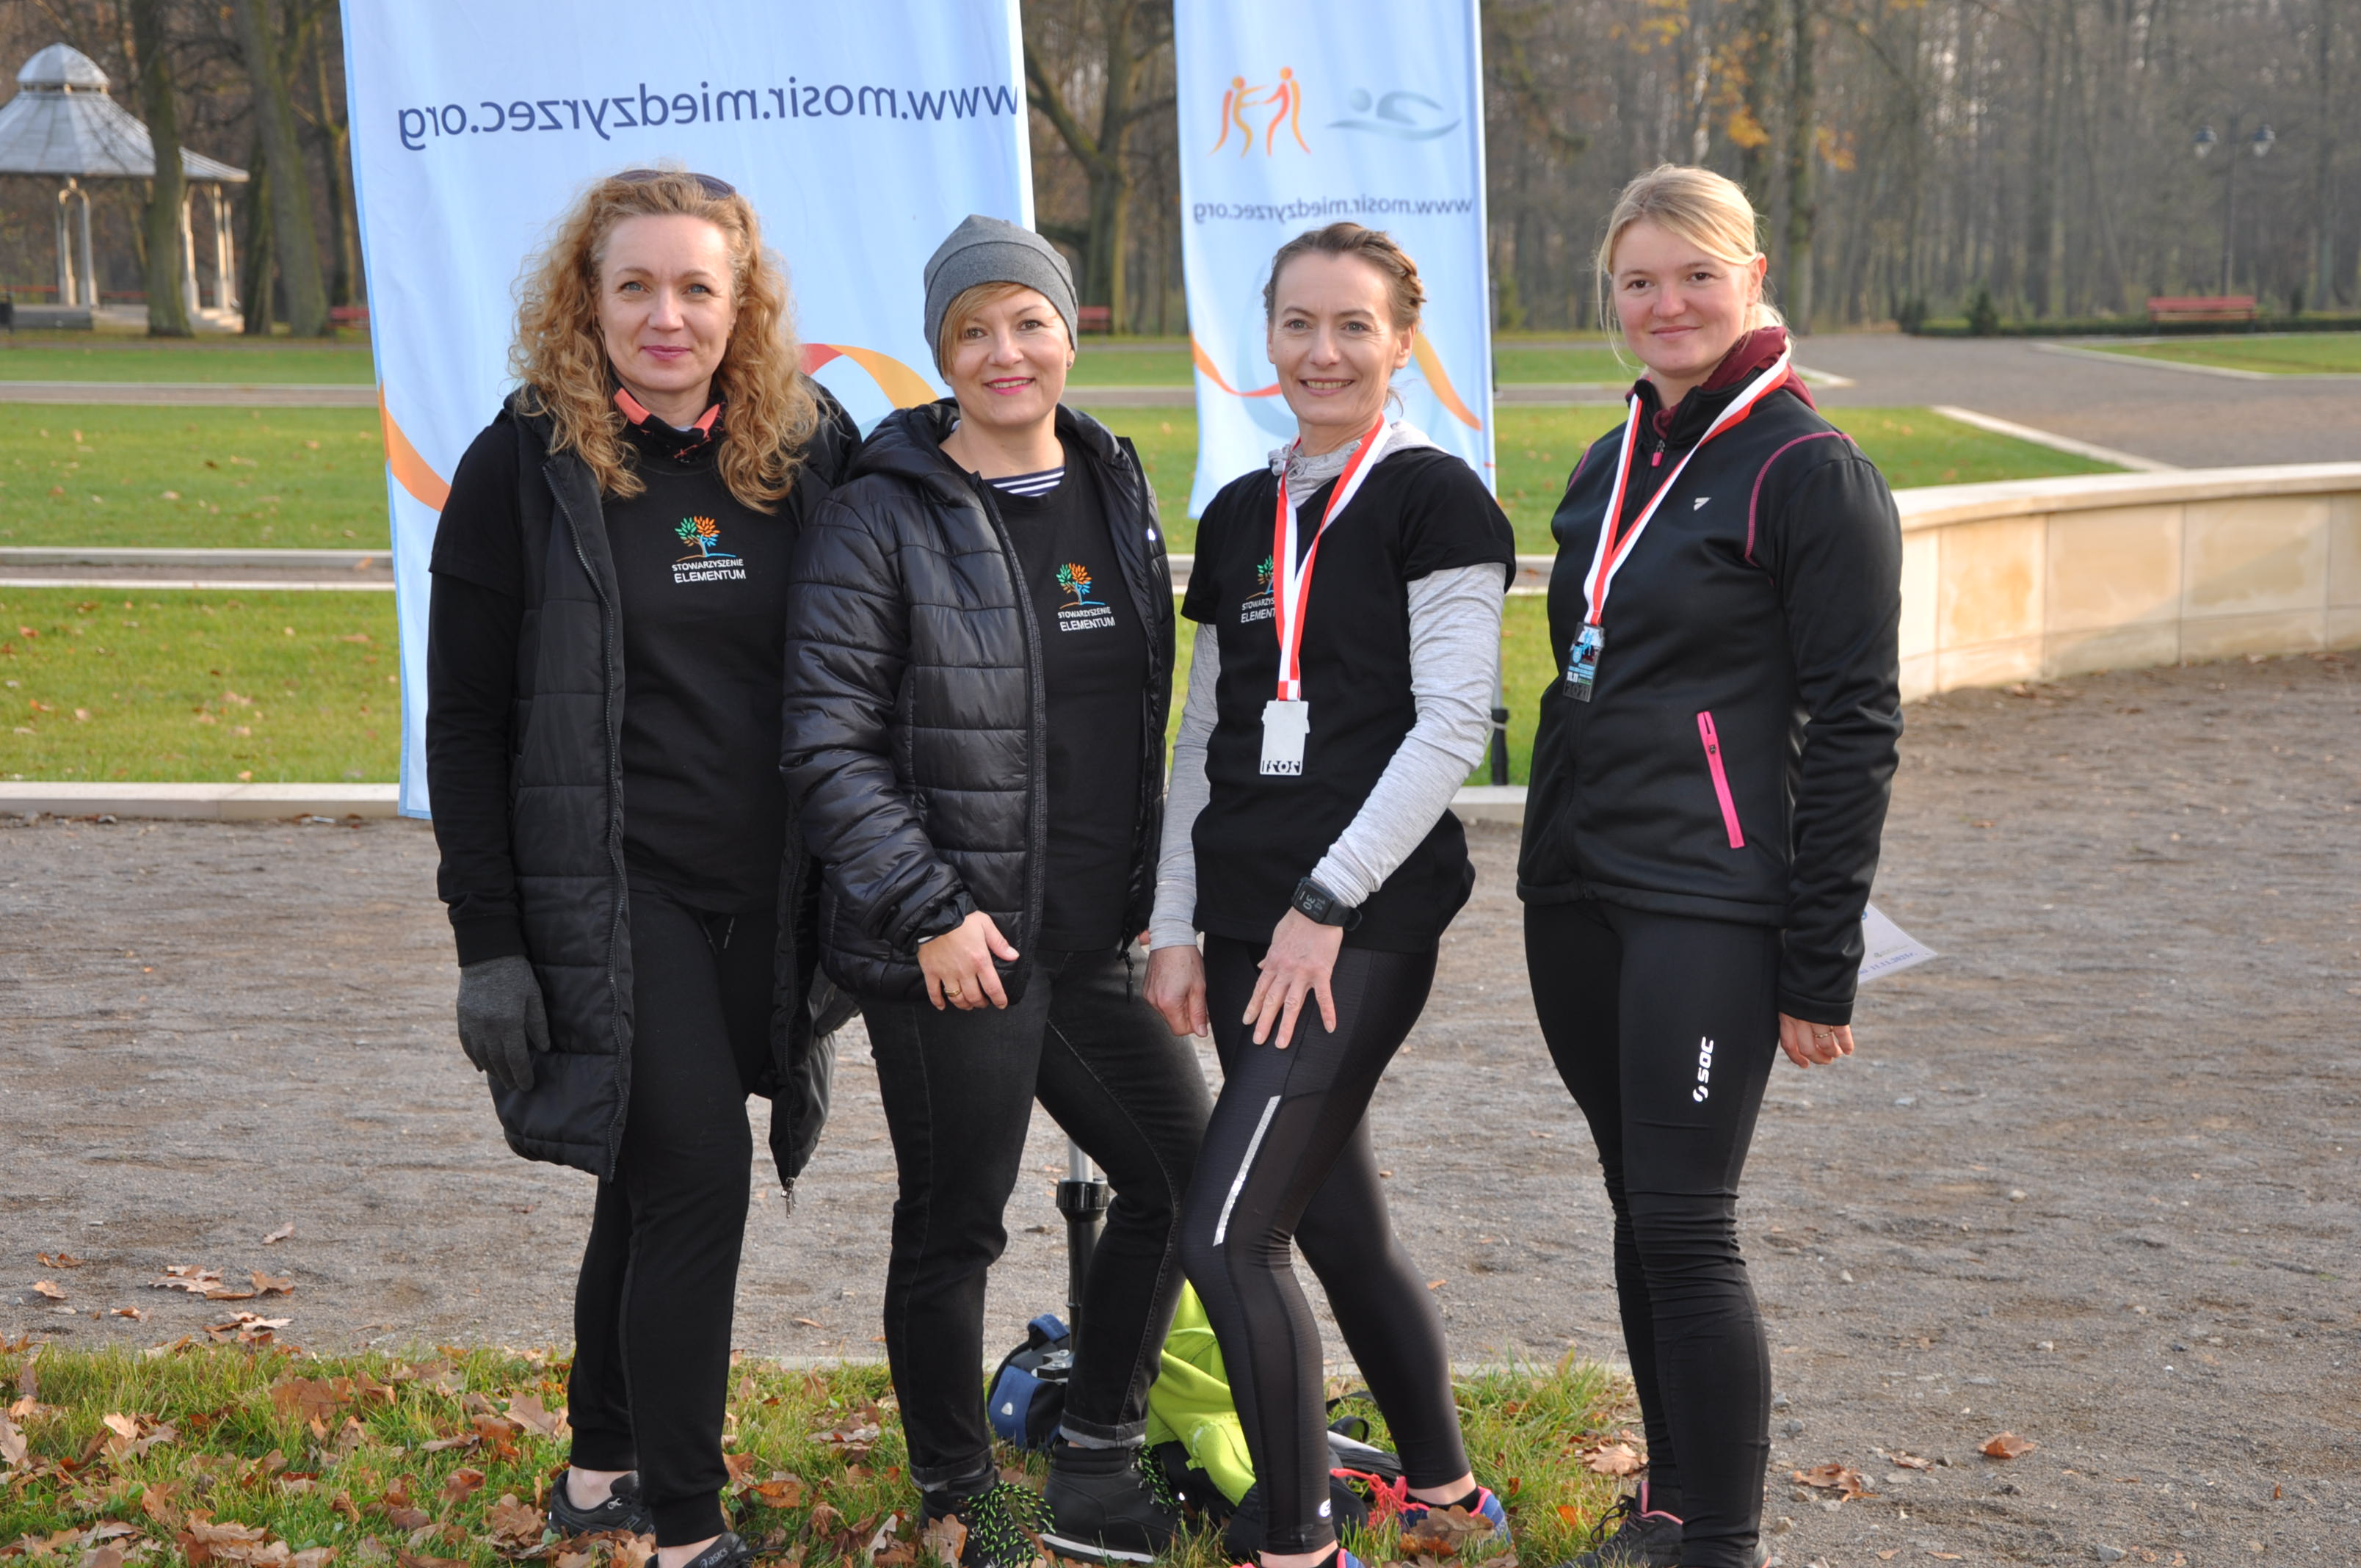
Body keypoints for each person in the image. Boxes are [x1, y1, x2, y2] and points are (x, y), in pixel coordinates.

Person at [426, 167, 860, 1568]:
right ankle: (686, 1528)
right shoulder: (522, 465)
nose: (665, 317)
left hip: (772, 898)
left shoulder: (809, 447)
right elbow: (468, 724)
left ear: (744, 304)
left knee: (645, 1174)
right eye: (635, 286)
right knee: (695, 1179)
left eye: (696, 288)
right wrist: (486, 941)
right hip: (613, 897)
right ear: (586, 299)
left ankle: (601, 1464)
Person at [779, 214, 1211, 1568]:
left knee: (1183, 1178)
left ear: (1069, 337)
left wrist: (1154, 900)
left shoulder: (1112, 479)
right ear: (941, 353)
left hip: (1084, 941)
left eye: (1029, 322)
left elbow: (1132, 717)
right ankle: (964, 1494)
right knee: (956, 1217)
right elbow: (825, 738)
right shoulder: (883, 510)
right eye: (974, 329)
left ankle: (1094, 1454)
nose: (1004, 350)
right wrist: (927, 910)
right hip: (950, 947)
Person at [1518, 165, 1903, 1568]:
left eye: (1693, 275)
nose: (1665, 304)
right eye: (1638, 281)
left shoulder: (1810, 471)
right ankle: (1672, 1504)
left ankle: (1722, 1540)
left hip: (1709, 900)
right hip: (1578, 892)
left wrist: (1821, 959)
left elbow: (1858, 726)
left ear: (1750, 277)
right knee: (1638, 1208)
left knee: (1686, 1223)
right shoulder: (1613, 458)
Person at [1145, 222, 1518, 1568]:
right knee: (1330, 1213)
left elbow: (1451, 727)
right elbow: (1206, 740)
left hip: (1357, 926)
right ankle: (1441, 1489)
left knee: (1230, 1233)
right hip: (1244, 923)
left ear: (1401, 341)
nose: (1323, 350)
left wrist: (1327, 898)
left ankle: (1295, 1543)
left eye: (1352, 325)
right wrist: (1179, 919)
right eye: (1297, 324)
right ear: (1267, 337)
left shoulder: (1437, 500)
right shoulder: (1243, 511)